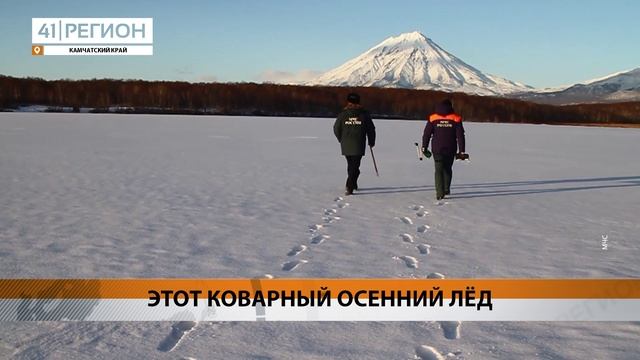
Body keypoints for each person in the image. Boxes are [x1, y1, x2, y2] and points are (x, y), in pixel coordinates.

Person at [422, 99, 467, 200]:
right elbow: (460, 136)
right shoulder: (456, 118)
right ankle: (446, 189)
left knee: (438, 170)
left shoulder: (433, 118)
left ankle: (439, 193)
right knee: (447, 168)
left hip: (437, 148)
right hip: (451, 148)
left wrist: (424, 147)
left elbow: (427, 134)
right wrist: (462, 150)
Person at [333, 92, 376, 196]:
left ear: (348, 102)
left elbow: (336, 128)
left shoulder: (343, 114)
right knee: (355, 166)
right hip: (359, 144)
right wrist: (371, 141)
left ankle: (353, 183)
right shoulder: (364, 114)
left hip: (346, 144)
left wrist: (341, 139)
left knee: (352, 165)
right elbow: (371, 129)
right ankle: (350, 185)